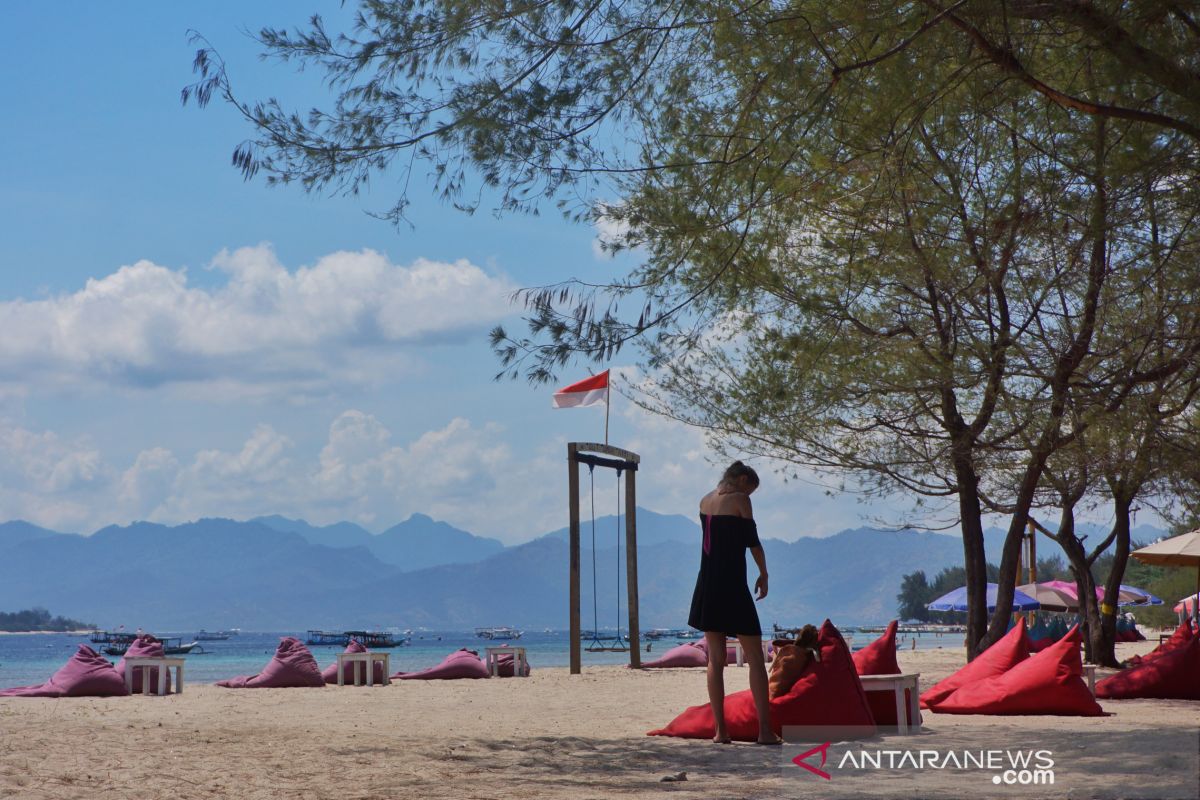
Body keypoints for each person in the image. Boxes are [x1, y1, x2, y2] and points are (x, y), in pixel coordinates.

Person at [688, 460, 778, 745]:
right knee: (755, 658)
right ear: (742, 480)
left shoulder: (704, 501)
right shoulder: (740, 500)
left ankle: (720, 731)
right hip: (733, 585)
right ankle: (764, 730)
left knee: (715, 660)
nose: (749, 497)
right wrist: (764, 574)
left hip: (707, 584)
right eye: (750, 490)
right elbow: (752, 542)